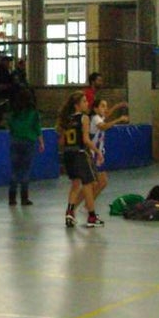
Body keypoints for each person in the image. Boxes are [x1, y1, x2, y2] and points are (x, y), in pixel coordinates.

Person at [58, 90, 104, 228]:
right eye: (84, 101)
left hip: (68, 155)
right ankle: (91, 216)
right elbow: (85, 139)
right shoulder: (84, 118)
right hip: (79, 153)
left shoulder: (67, 119)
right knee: (88, 185)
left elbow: (61, 142)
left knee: (75, 185)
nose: (87, 103)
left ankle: (69, 213)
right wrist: (97, 152)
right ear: (77, 105)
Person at [5, 86, 44, 206]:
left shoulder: (13, 114)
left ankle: (12, 198)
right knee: (25, 170)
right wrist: (41, 142)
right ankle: (24, 197)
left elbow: (10, 127)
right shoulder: (33, 113)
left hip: (15, 141)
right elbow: (37, 129)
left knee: (15, 170)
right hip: (28, 142)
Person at [89, 98, 129, 207]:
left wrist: (118, 105)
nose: (105, 109)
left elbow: (107, 114)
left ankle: (89, 203)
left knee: (101, 182)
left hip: (98, 154)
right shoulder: (95, 118)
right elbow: (104, 126)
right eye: (102, 106)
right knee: (97, 182)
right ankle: (88, 204)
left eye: (106, 106)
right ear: (95, 108)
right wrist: (119, 119)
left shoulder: (99, 117)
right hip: (92, 153)